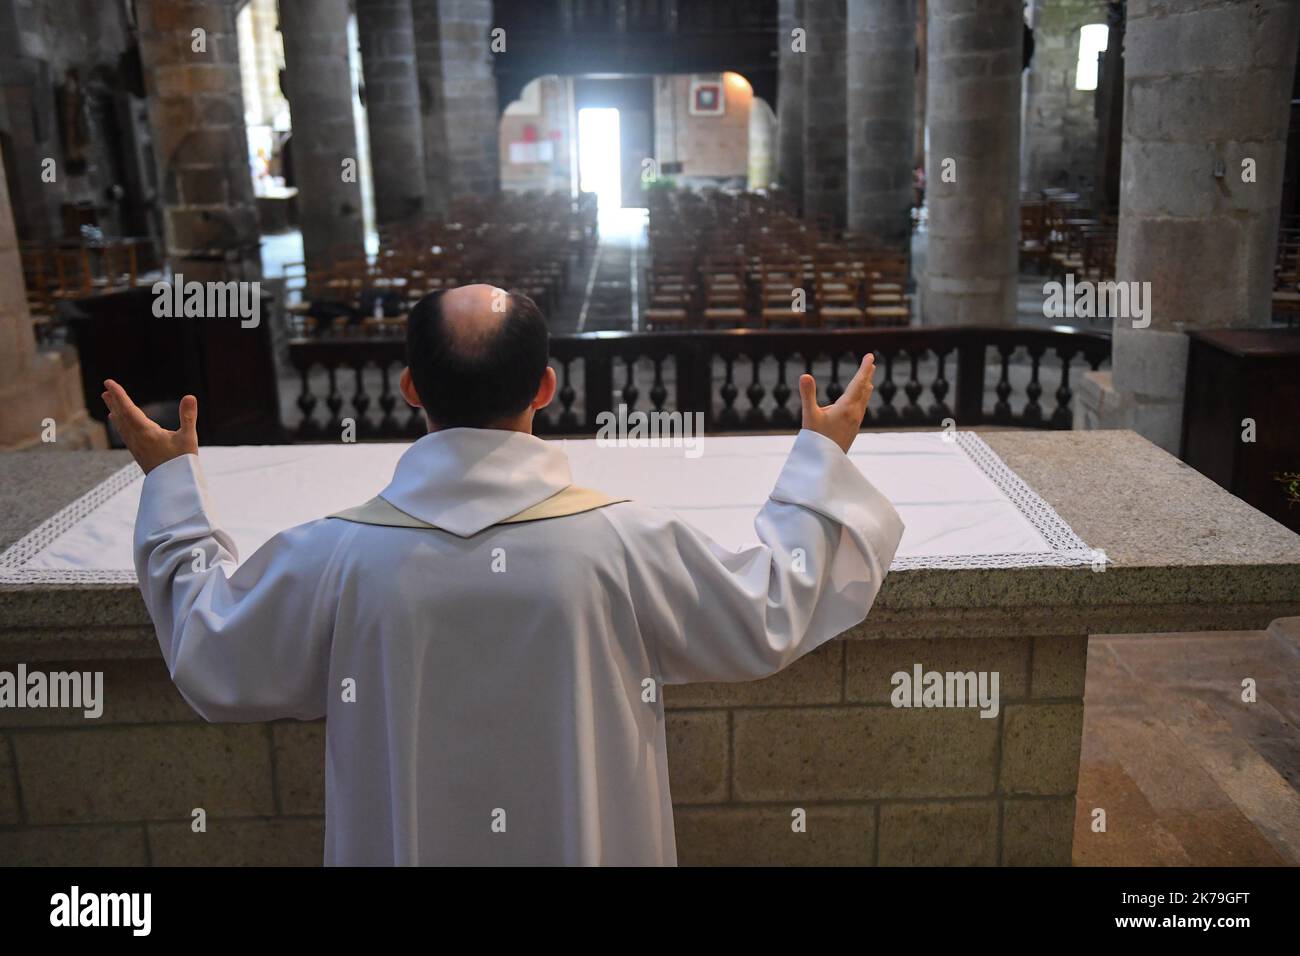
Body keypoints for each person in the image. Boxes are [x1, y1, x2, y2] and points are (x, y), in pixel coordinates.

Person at [102, 284, 904, 866]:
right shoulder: (623, 542)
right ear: (547, 388)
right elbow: (770, 608)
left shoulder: (336, 557)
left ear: (410, 388)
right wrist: (820, 461)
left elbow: (210, 651)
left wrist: (171, 480)